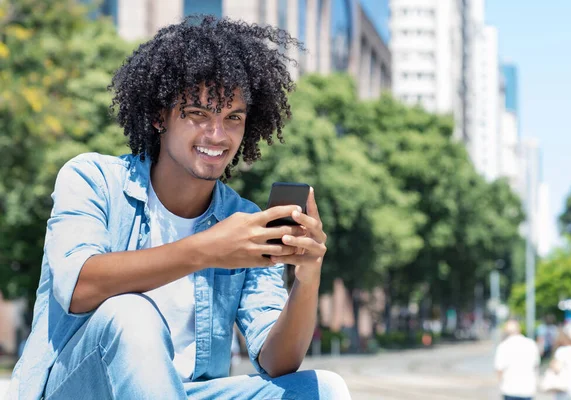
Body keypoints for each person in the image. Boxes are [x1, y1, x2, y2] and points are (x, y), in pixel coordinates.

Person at [6, 15, 351, 400]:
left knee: (324, 389)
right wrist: (207, 250)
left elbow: (277, 362)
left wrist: (307, 277)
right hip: (82, 389)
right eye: (198, 114)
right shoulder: (93, 179)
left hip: (186, 392)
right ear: (160, 116)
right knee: (130, 313)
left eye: (232, 117)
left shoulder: (242, 221)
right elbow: (77, 288)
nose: (217, 135)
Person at [494, 319, 541, 400]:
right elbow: (536, 365)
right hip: (528, 388)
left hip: (509, 389)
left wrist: (500, 384)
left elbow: (499, 369)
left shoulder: (503, 346)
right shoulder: (531, 344)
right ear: (519, 329)